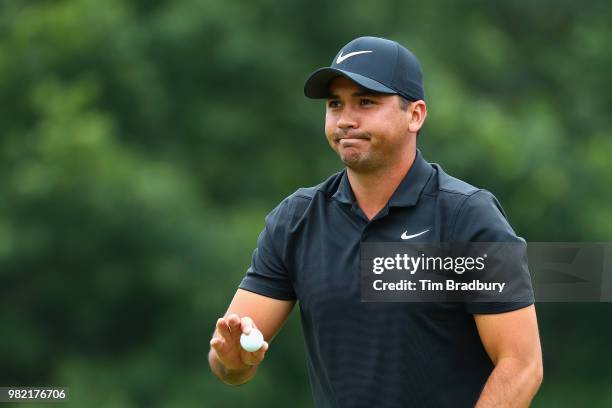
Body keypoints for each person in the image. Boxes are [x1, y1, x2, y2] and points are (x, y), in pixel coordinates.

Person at [209, 36, 543, 407]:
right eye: (336, 104)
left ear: (415, 114)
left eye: (366, 102)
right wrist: (232, 360)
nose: (346, 119)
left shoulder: (467, 216)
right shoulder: (296, 219)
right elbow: (229, 359)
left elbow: (521, 364)